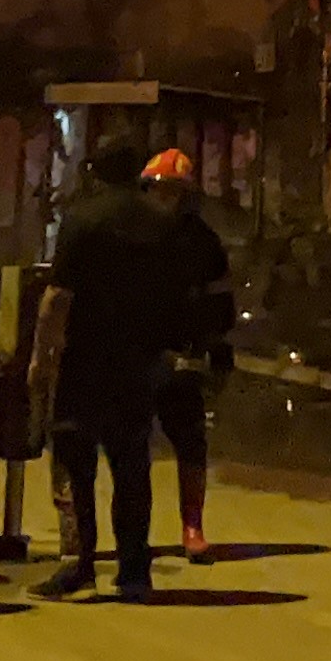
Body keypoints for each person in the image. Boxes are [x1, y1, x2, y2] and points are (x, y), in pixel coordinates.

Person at [38, 140, 209, 601]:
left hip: (86, 358)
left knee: (77, 462)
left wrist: (42, 357)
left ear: (95, 173)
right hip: (138, 361)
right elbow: (181, 294)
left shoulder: (84, 220)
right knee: (132, 465)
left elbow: (58, 298)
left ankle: (80, 565)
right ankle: (134, 569)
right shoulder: (163, 226)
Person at [138, 148, 237, 562]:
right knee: (130, 447)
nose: (165, 199)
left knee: (191, 441)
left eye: (173, 191)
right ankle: (131, 536)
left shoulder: (202, 241)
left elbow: (220, 301)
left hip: (182, 354)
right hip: (136, 350)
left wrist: (213, 346)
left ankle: (192, 526)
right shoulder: (131, 232)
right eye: (159, 190)